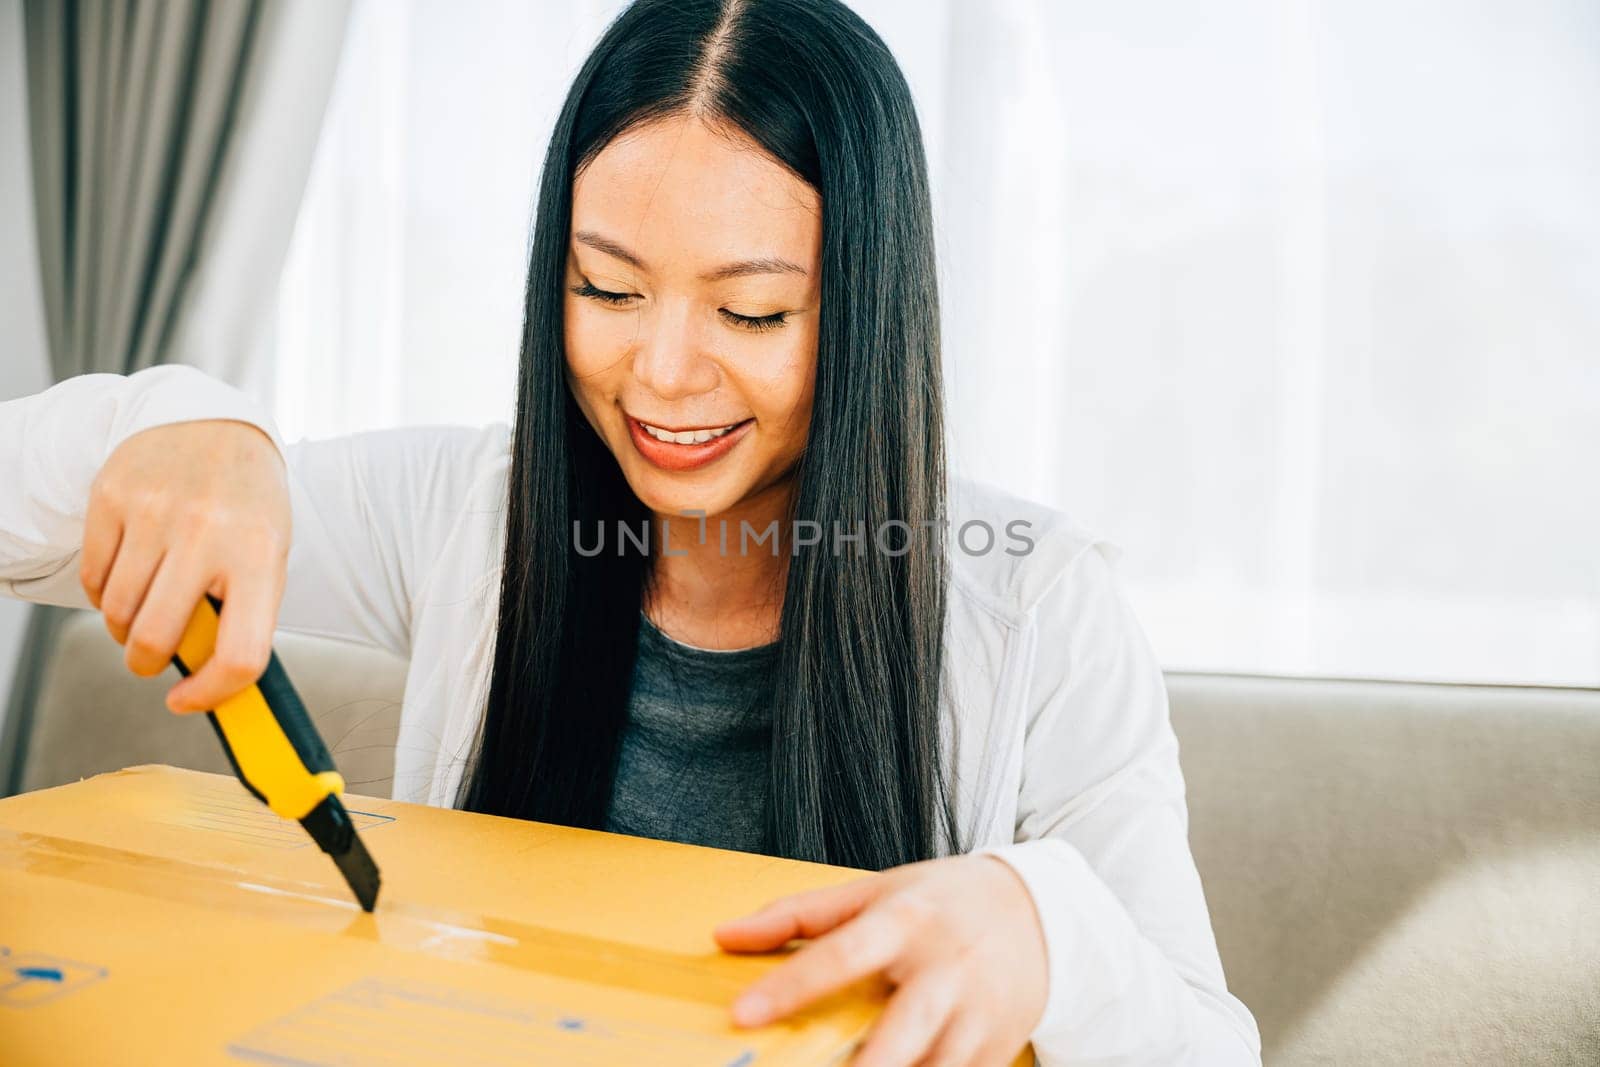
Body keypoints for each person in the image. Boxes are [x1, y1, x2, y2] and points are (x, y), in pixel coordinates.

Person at [0, 0, 1260, 1063]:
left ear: (867, 311)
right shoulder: (469, 512)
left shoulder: (1037, 605)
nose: (659, 374)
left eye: (752, 312)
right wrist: (182, 426)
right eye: (606, 288)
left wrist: (1048, 934)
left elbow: (1208, 1038)